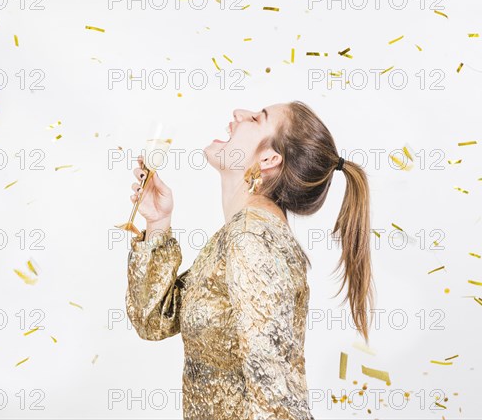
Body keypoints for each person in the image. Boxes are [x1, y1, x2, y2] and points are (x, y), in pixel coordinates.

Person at [124, 101, 376, 420]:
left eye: (257, 118)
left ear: (269, 158)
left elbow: (277, 398)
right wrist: (158, 223)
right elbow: (154, 320)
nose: (238, 113)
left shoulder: (254, 240)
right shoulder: (238, 234)